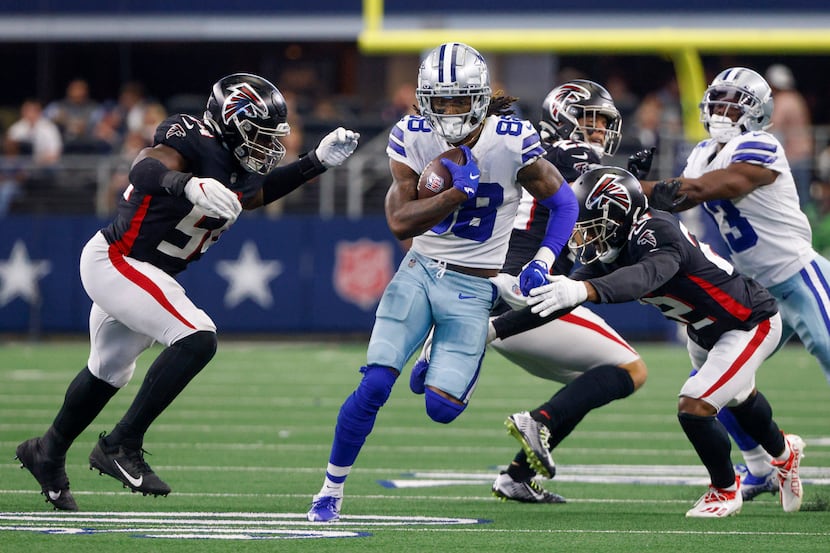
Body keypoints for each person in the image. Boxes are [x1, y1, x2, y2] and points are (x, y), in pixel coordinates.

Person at [15, 72, 360, 511]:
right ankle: (121, 443)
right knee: (197, 336)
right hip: (118, 260)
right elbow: (144, 166)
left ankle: (46, 452)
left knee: (109, 370)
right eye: (259, 135)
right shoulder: (191, 138)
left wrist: (315, 162)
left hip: (147, 272)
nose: (268, 147)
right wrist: (186, 184)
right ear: (231, 123)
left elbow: (252, 196)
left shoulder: (239, 164)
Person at [306, 42, 576, 522]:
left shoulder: (512, 139)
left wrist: (544, 260)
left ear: (479, 96)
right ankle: (330, 489)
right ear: (425, 98)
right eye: (441, 100)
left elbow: (565, 204)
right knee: (373, 386)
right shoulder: (413, 134)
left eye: (459, 99)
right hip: (419, 273)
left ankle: (434, 354)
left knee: (442, 409)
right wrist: (455, 193)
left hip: (475, 287)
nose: (449, 111)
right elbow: (400, 223)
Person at [521, 165, 804, 517]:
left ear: (618, 215)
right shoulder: (618, 244)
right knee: (741, 399)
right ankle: (784, 454)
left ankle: (724, 490)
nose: (583, 239)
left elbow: (643, 277)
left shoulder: (657, 231)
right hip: (704, 331)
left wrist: (583, 288)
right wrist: (495, 328)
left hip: (746, 321)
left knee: (695, 405)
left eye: (591, 228)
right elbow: (552, 302)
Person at [417, 79, 652, 503]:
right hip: (529, 294)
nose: (597, 130)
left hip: (500, 288)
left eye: (603, 121)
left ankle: (516, 476)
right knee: (631, 371)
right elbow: (606, 199)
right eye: (589, 119)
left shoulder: (525, 147)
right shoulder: (572, 153)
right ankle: (489, 360)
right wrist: (641, 188)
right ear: (563, 117)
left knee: (590, 384)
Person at [644, 66, 829, 501]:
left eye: (734, 103)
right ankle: (761, 468)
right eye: (719, 100)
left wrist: (622, 186)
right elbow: (681, 192)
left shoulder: (761, 145)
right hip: (755, 289)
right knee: (715, 377)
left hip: (799, 274)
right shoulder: (701, 152)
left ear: (757, 113)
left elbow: (699, 190)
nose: (723, 110)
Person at [765, 64, 814, 209]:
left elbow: (774, 126)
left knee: (791, 197)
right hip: (804, 154)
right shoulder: (797, 98)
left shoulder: (783, 101)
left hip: (792, 156)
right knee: (804, 195)